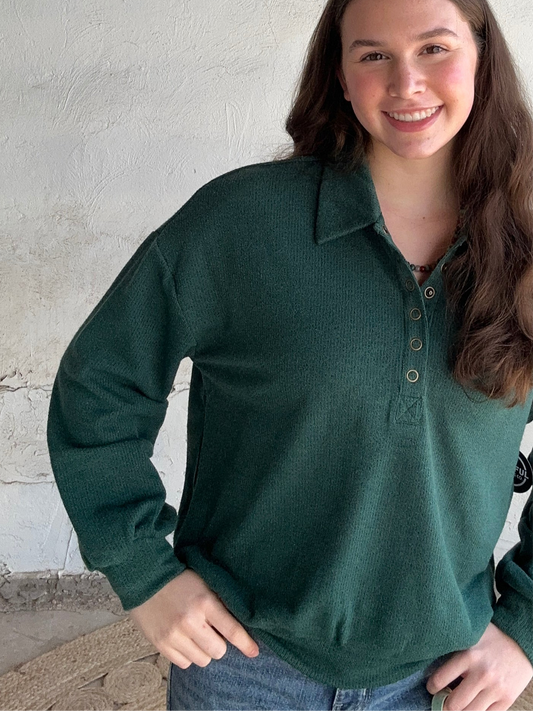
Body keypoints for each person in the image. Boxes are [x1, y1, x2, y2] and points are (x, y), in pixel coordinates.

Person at [46, 0, 533, 708]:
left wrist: (523, 624)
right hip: (243, 665)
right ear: (339, 74)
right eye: (373, 55)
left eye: (434, 48)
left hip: (437, 673)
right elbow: (101, 384)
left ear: (483, 57)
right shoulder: (240, 224)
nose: (406, 83)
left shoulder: (525, 241)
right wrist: (143, 570)